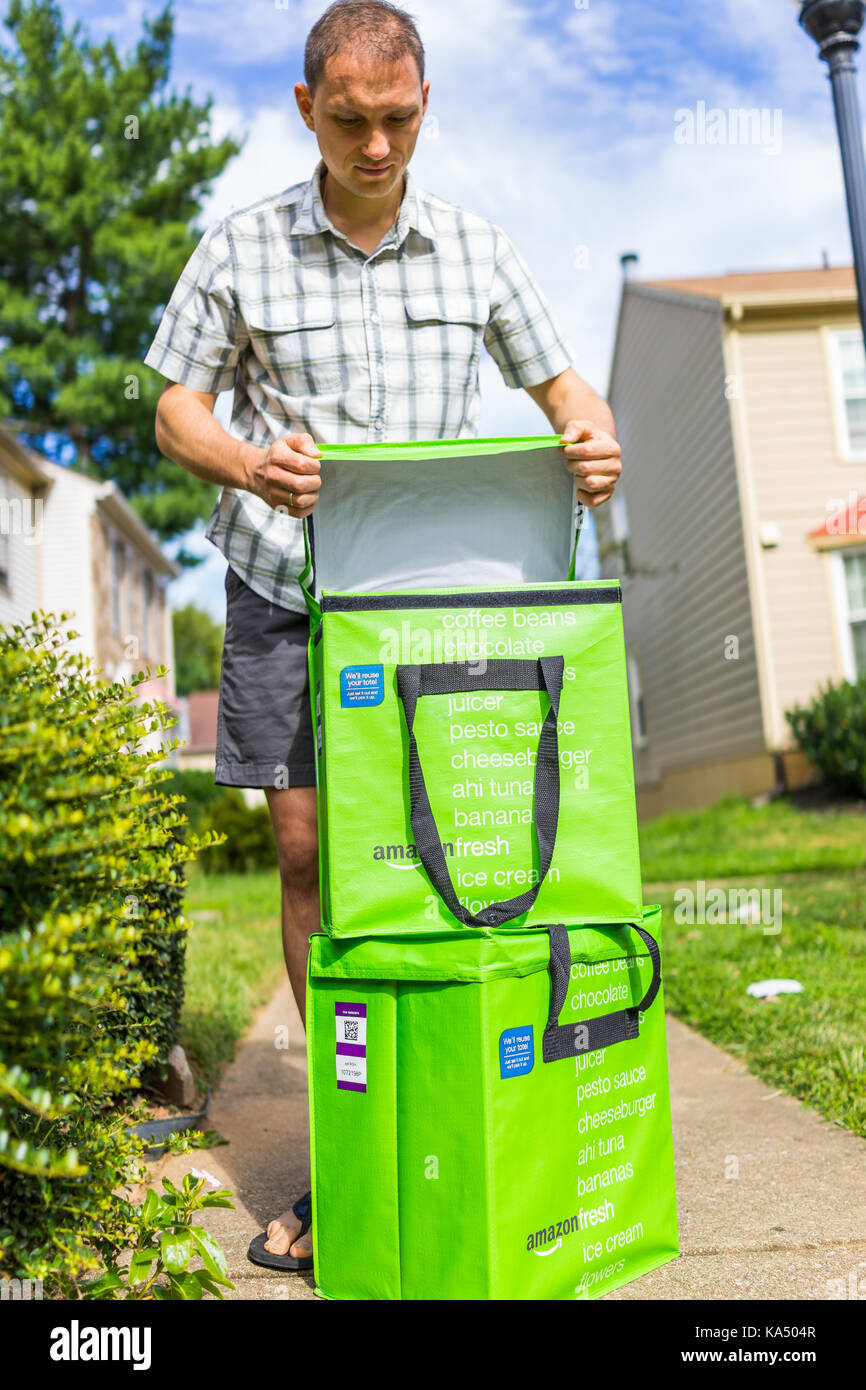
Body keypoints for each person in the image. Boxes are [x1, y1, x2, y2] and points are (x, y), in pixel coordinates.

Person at [145, 0, 622, 1273]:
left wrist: (591, 433)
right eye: (348, 120)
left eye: (397, 119)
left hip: (431, 602)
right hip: (284, 592)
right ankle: (347, 1149)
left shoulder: (475, 251)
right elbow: (171, 410)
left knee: (443, 857)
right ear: (306, 108)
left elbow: (567, 391)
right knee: (307, 855)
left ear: (425, 105)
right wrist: (247, 463)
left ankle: (467, 1122)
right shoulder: (239, 247)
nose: (374, 144)